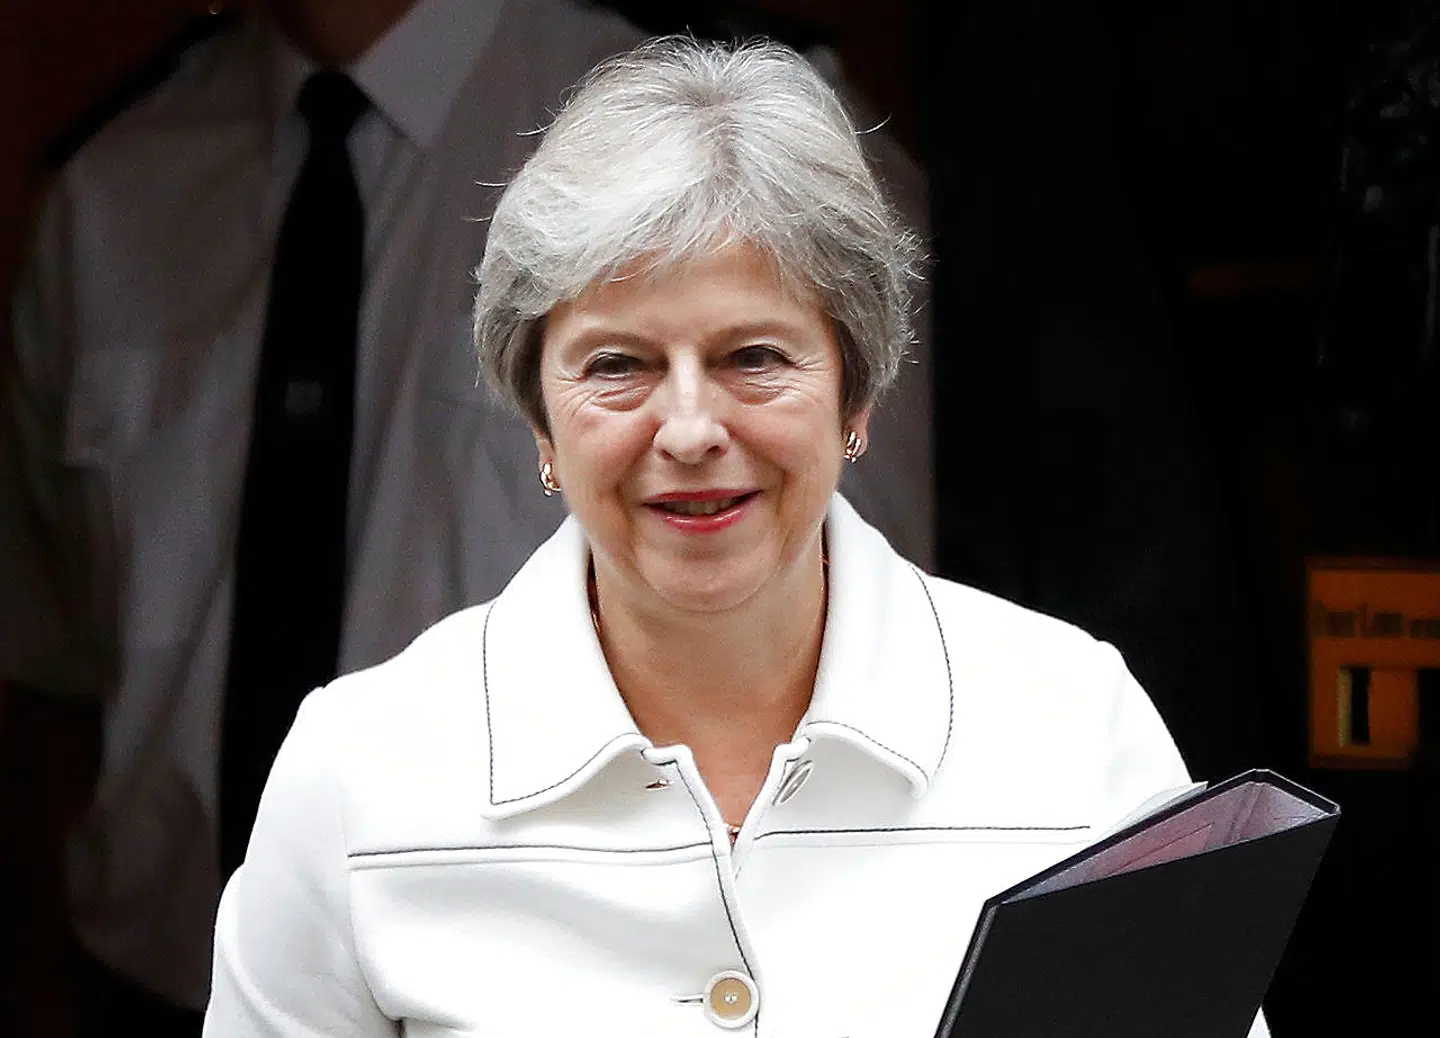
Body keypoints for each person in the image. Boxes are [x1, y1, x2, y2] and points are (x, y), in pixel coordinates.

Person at [202, 37, 1267, 1036]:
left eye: (754, 355)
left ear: (857, 394)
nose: (692, 429)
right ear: (538, 416)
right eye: (616, 365)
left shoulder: (1072, 727)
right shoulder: (359, 772)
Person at [0, 2, 933, 1035]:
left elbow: (853, 664)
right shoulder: (110, 188)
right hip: (156, 990)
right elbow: (60, 679)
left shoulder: (734, 132)